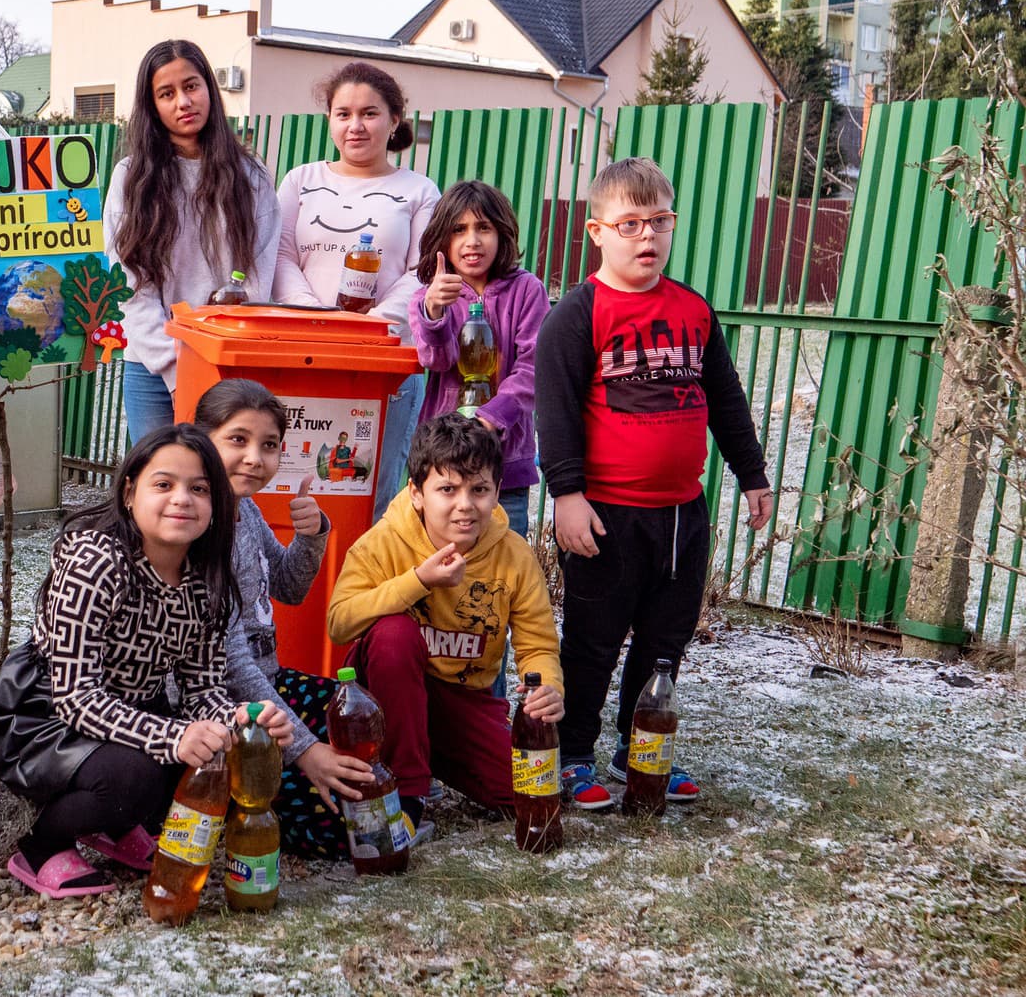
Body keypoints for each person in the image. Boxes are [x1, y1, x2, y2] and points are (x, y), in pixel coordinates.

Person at [535, 157, 773, 811]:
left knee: (666, 643)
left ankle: (641, 751)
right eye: (631, 223)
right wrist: (567, 496)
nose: (647, 236)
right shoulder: (576, 315)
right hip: (606, 514)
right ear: (596, 231)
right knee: (593, 641)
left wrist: (751, 474)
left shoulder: (693, 310)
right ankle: (574, 754)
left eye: (659, 221)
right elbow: (553, 412)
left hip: (681, 515)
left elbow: (725, 399)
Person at [0, 425, 293, 898]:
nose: (182, 500)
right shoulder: (95, 561)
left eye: (199, 489)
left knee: (213, 757)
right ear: (130, 492)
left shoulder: (205, 582)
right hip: (41, 718)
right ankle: (40, 847)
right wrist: (175, 736)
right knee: (137, 776)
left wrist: (242, 722)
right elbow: (75, 697)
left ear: (216, 507)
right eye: (164, 484)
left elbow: (202, 689)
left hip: (128, 715)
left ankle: (114, 828)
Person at [326, 413, 565, 827]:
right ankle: (409, 796)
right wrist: (418, 581)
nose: (465, 505)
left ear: (496, 492)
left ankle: (428, 751)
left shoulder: (514, 555)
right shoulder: (384, 541)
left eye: (479, 490)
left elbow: (538, 645)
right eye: (447, 489)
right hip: (388, 695)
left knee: (532, 795)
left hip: (463, 701)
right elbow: (340, 622)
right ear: (417, 493)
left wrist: (546, 687)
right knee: (394, 633)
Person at [194, 378, 374, 858]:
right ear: (199, 439)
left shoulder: (245, 510)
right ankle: (248, 810)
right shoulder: (199, 529)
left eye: (269, 445)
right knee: (330, 820)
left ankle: (370, 808)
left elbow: (289, 586)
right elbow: (232, 667)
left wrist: (312, 534)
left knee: (359, 715)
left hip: (269, 681)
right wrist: (306, 751)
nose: (255, 457)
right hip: (228, 704)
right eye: (238, 439)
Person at [272, 61, 440, 522]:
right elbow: (280, 257)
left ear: (394, 120)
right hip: (306, 354)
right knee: (295, 484)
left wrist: (371, 325)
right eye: (342, 114)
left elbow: (423, 269)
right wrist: (320, 319)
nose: (355, 125)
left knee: (369, 496)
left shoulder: (419, 189)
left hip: (386, 363)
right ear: (329, 120)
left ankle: (364, 591)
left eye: (369, 113)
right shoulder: (300, 181)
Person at [105, 40, 280, 446]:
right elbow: (126, 281)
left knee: (223, 487)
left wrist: (212, 357)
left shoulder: (250, 175)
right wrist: (174, 363)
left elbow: (258, 274)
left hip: (226, 363)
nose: (183, 101)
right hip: (151, 365)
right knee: (158, 488)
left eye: (192, 86)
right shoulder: (131, 177)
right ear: (153, 106)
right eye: (167, 94)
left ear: (210, 90)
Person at [408, 181, 548, 539]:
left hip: (505, 464)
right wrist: (434, 312)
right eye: (459, 230)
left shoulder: (527, 290)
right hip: (442, 459)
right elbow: (436, 360)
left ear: (502, 234)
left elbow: (534, 368)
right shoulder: (427, 297)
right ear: (443, 239)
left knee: (502, 565)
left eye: (483, 228)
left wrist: (493, 419)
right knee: (438, 561)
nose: (472, 241)